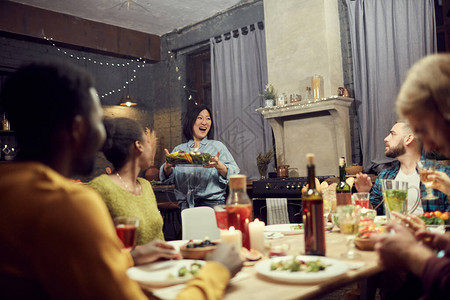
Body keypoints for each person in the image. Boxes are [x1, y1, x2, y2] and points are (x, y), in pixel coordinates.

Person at [0, 61, 242, 299]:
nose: (105, 138)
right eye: (99, 122)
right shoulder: (72, 204)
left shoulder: (11, 190)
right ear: (77, 129)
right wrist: (217, 271)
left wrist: (129, 256)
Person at [372, 54, 450, 300]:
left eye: (424, 127)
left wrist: (415, 257)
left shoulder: (439, 173)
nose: (426, 142)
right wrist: (441, 244)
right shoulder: (387, 175)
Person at [88, 117, 165, 244]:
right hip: (126, 263)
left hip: (163, 263)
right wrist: (135, 255)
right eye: (147, 142)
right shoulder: (100, 188)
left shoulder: (145, 186)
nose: (152, 149)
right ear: (139, 145)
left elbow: (159, 237)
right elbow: (93, 248)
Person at [355, 120, 450, 216]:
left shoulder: (442, 173)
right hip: (391, 230)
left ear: (408, 139)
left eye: (393, 134)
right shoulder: (384, 176)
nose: (386, 139)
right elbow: (373, 214)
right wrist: (364, 193)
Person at [160, 105, 240, 210]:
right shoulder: (179, 150)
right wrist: (167, 168)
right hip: (185, 205)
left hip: (213, 205)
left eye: (208, 118)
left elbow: (235, 173)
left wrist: (220, 167)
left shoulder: (217, 147)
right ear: (191, 121)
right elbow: (168, 179)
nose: (204, 122)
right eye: (200, 118)